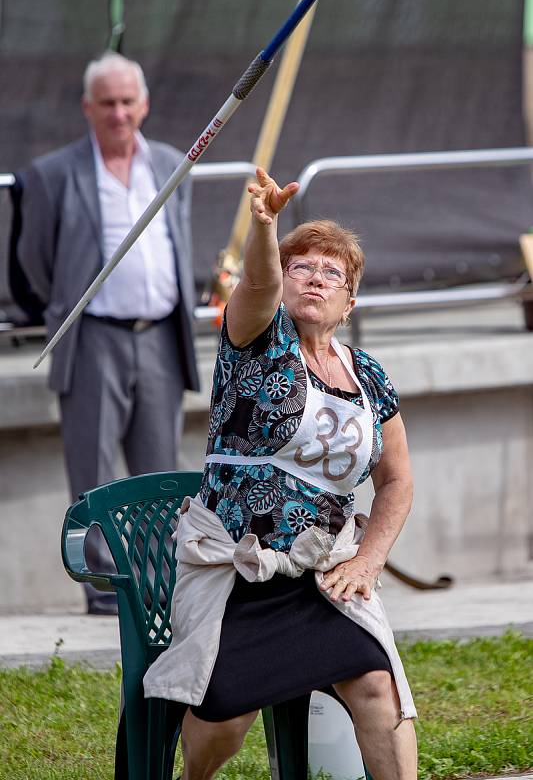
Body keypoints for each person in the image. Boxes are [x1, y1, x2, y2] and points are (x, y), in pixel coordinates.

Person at [144, 168, 417, 779]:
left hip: (322, 574)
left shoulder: (370, 377)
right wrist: (266, 230)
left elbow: (396, 480)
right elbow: (258, 283)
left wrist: (368, 560)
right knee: (224, 723)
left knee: (378, 687)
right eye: (303, 267)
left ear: (350, 302)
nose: (316, 278)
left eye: (333, 273)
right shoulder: (257, 337)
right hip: (238, 570)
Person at [18, 52, 199, 615]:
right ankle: (103, 593)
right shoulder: (55, 173)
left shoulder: (171, 163)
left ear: (143, 104)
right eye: (108, 103)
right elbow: (34, 260)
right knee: (93, 472)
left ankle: (155, 587)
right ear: (87, 108)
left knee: (160, 471)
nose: (119, 114)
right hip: (94, 337)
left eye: (128, 102)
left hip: (159, 337)